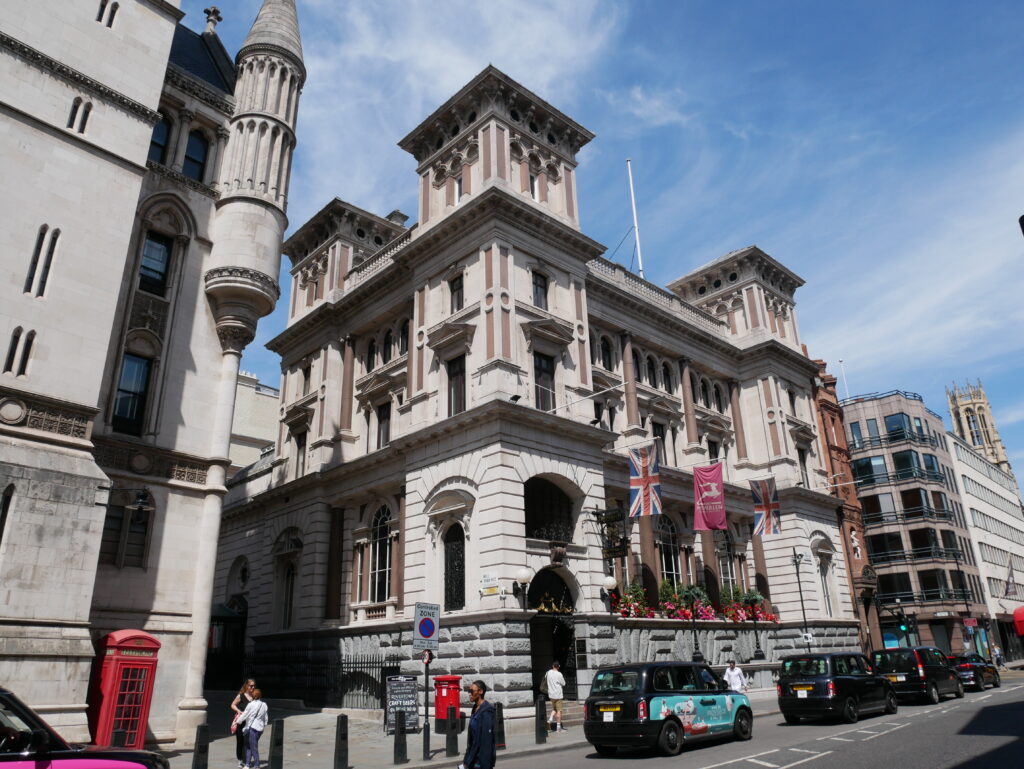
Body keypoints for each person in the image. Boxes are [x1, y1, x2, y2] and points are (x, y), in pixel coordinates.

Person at [460, 680, 496, 769]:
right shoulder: (475, 708)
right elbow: (472, 739)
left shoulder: (487, 711)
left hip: (480, 760)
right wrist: (466, 760)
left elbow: (486, 741)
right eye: (469, 691)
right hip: (472, 756)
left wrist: (485, 765)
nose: (469, 694)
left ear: (480, 692)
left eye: (472, 691)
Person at [237, 688, 269, 769]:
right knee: (250, 745)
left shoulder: (250, 704)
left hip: (252, 728)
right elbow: (265, 717)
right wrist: (264, 725)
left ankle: (256, 765)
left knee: (252, 747)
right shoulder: (264, 705)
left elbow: (245, 714)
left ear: (253, 695)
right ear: (260, 695)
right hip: (260, 728)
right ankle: (247, 764)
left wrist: (238, 721)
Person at [230, 679, 256, 768]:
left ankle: (247, 760)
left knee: (249, 741)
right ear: (246, 686)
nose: (253, 687)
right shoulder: (241, 696)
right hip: (241, 722)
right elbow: (233, 704)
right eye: (251, 686)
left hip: (251, 722)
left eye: (254, 686)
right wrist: (238, 711)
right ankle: (240, 759)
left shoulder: (254, 696)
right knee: (240, 741)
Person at [544, 661, 567, 732]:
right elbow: (564, 683)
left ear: (553, 666)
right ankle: (558, 728)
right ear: (559, 666)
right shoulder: (559, 674)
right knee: (559, 711)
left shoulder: (548, 672)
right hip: (558, 695)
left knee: (554, 709)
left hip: (551, 695)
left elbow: (545, 678)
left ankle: (549, 720)